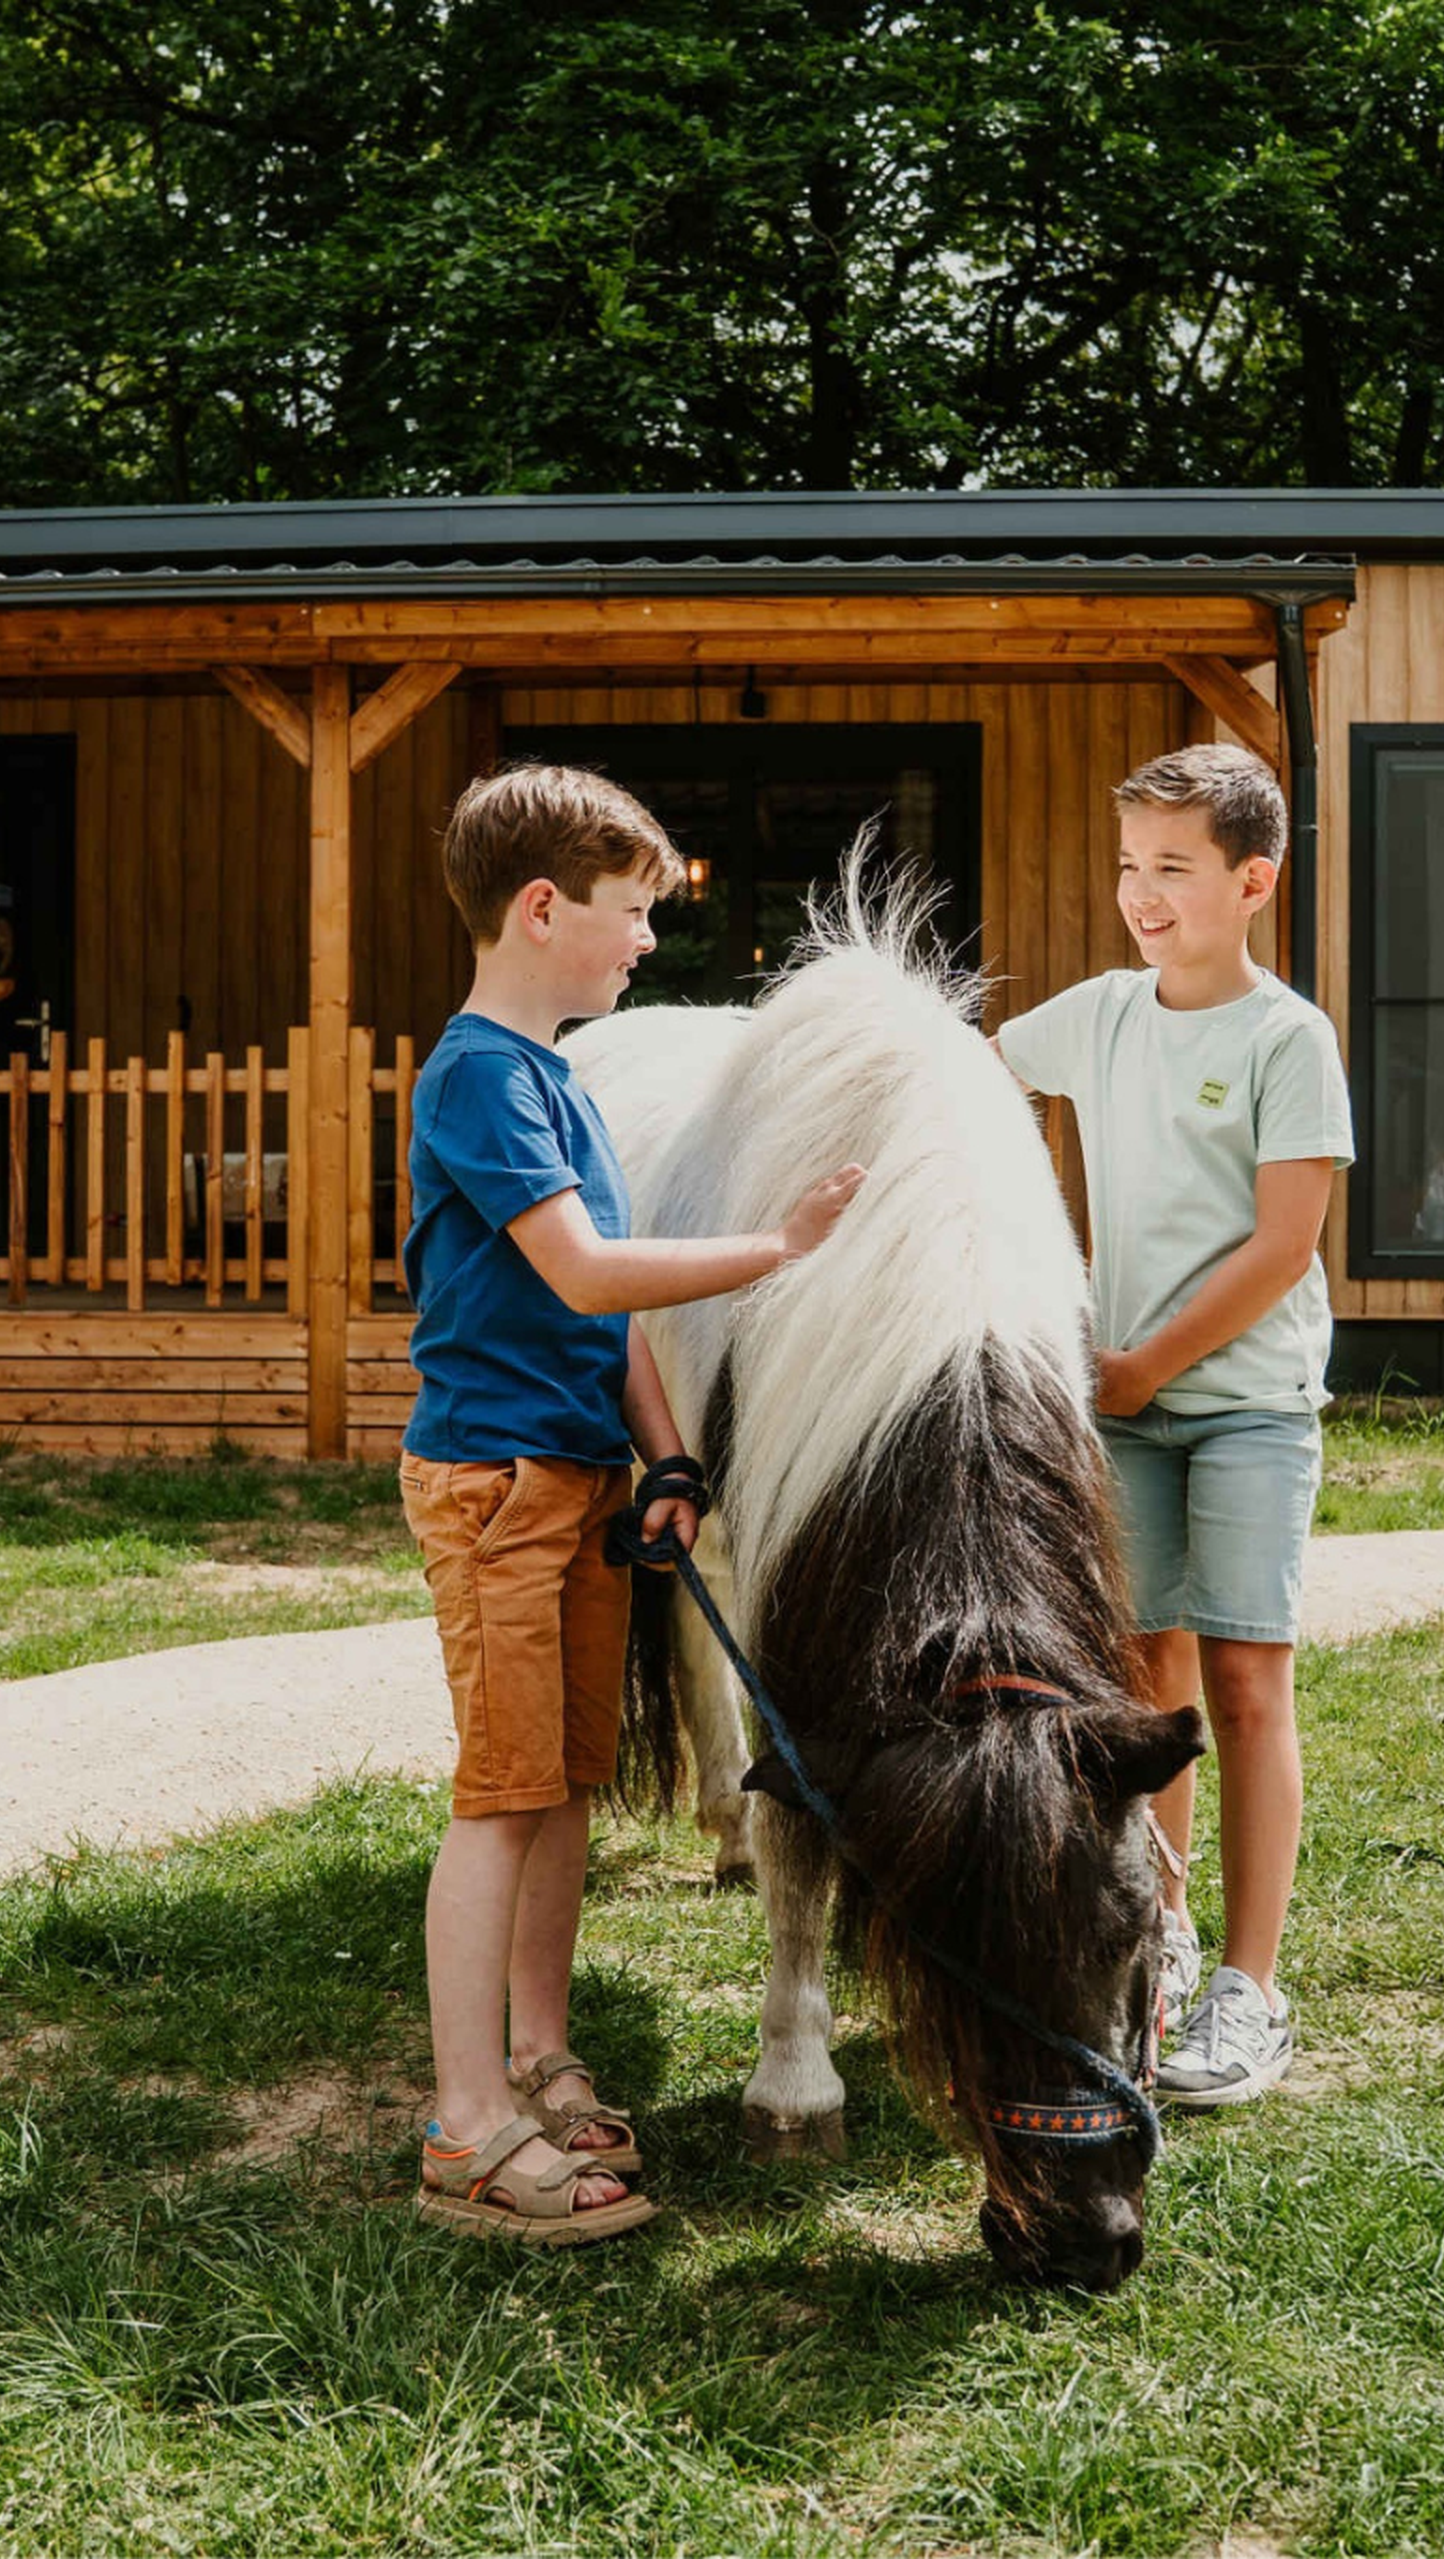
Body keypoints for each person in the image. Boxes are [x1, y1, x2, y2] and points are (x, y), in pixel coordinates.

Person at [400, 762, 865, 2243]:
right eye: (630, 914)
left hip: (588, 1479)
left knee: (567, 1791)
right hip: (498, 1488)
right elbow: (592, 1274)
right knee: (502, 1799)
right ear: (542, 910)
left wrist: (667, 1460)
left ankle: (539, 2053)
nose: (649, 943)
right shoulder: (477, 1075)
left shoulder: (560, 1077)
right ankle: (466, 2123)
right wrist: (777, 1248)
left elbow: (619, 1337)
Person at [994, 742, 1353, 2109]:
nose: (1143, 894)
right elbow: (961, 1073)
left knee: (1249, 1686)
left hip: (1245, 1407)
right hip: (1122, 1411)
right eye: (1131, 864)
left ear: (1252, 879)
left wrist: (1142, 1363)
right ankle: (1164, 1922)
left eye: (1175, 869)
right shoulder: (1098, 1016)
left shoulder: (1284, 1038)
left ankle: (1251, 1988)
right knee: (1147, 1688)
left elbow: (1283, 1246)